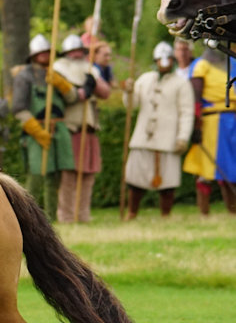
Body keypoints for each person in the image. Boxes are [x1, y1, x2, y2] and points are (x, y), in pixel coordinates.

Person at [11, 34, 79, 220]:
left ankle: (51, 218)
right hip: (36, 130)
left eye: (47, 52)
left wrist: (61, 84)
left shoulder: (56, 74)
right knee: (36, 175)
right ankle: (26, 216)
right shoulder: (24, 76)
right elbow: (18, 108)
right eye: (41, 52)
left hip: (59, 128)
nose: (44, 55)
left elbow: (73, 98)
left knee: (54, 176)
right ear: (33, 55)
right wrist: (36, 130)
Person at [123, 41, 194, 219]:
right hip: (143, 138)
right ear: (155, 60)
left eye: (168, 59)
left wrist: (182, 137)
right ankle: (132, 212)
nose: (164, 62)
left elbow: (187, 112)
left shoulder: (181, 83)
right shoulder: (145, 79)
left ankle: (165, 214)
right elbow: (131, 106)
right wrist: (129, 92)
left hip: (168, 139)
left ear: (172, 60)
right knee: (135, 180)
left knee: (168, 182)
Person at [53, 34, 111, 223]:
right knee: (69, 175)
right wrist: (82, 89)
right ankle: (66, 216)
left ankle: (83, 214)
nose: (77, 54)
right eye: (73, 51)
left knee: (88, 175)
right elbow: (67, 95)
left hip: (90, 127)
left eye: (80, 51)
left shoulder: (89, 69)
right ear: (67, 53)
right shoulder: (58, 69)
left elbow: (105, 93)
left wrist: (93, 82)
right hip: (70, 128)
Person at [182, 46, 236, 215]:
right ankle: (204, 213)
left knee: (232, 169)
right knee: (206, 168)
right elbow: (195, 98)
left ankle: (232, 211)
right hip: (212, 122)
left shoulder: (233, 62)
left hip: (232, 121)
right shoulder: (200, 65)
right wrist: (196, 124)